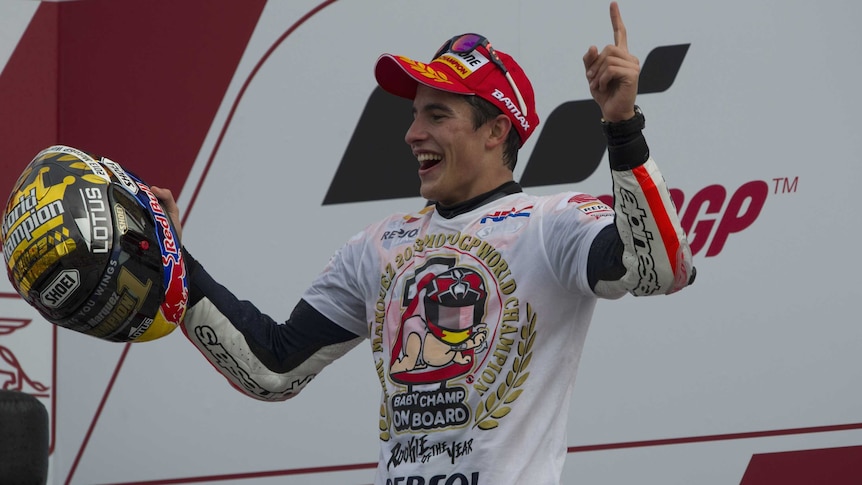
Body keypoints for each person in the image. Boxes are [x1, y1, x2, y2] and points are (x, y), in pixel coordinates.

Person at [153, 2, 695, 484]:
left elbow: (661, 269)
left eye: (437, 115)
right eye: (414, 115)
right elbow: (270, 368)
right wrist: (175, 264)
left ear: (496, 131)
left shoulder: (552, 224)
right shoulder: (377, 246)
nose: (413, 133)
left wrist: (621, 125)